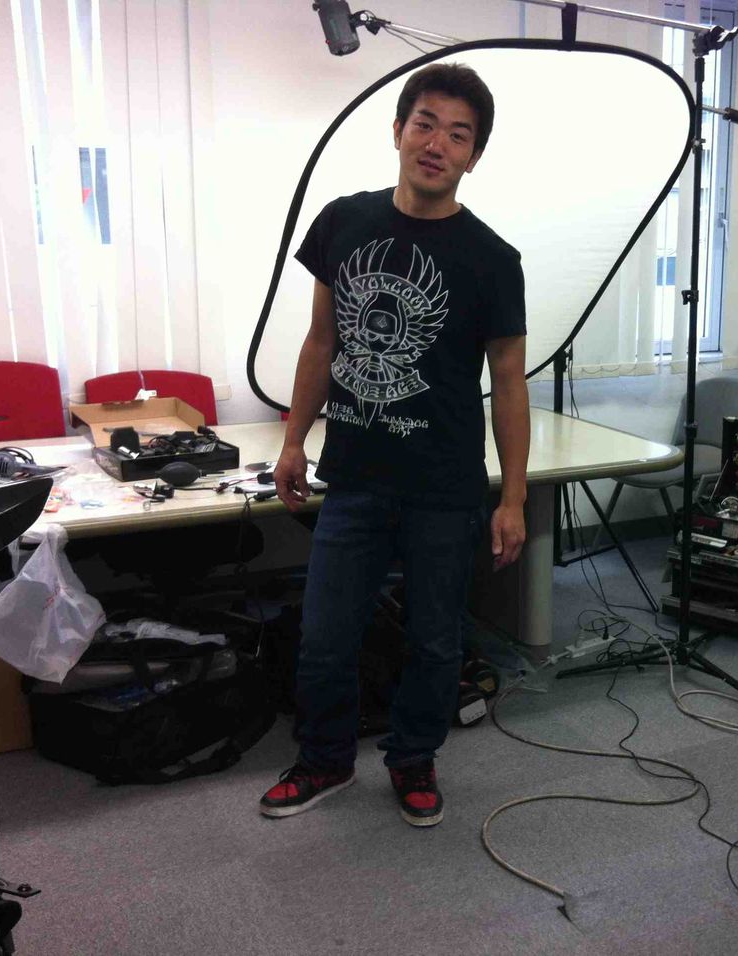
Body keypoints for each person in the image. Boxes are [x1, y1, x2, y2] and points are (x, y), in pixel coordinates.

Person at [259, 63, 529, 828]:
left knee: (436, 642)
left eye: (459, 134)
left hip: (444, 484)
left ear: (474, 155)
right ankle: (324, 760)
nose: (437, 143)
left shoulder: (492, 259)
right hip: (355, 474)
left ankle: (413, 760)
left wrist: (512, 497)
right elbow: (321, 341)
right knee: (325, 637)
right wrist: (292, 443)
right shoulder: (343, 222)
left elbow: (509, 380)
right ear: (399, 131)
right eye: (425, 123)